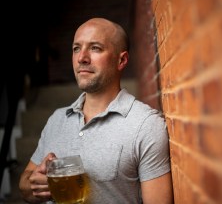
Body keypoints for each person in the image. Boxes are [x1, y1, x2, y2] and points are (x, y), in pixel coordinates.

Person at [19, 18, 174, 203]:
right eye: (76, 48)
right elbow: (24, 185)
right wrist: (34, 185)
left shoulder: (145, 125)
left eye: (95, 48)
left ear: (122, 60)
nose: (81, 58)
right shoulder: (57, 119)